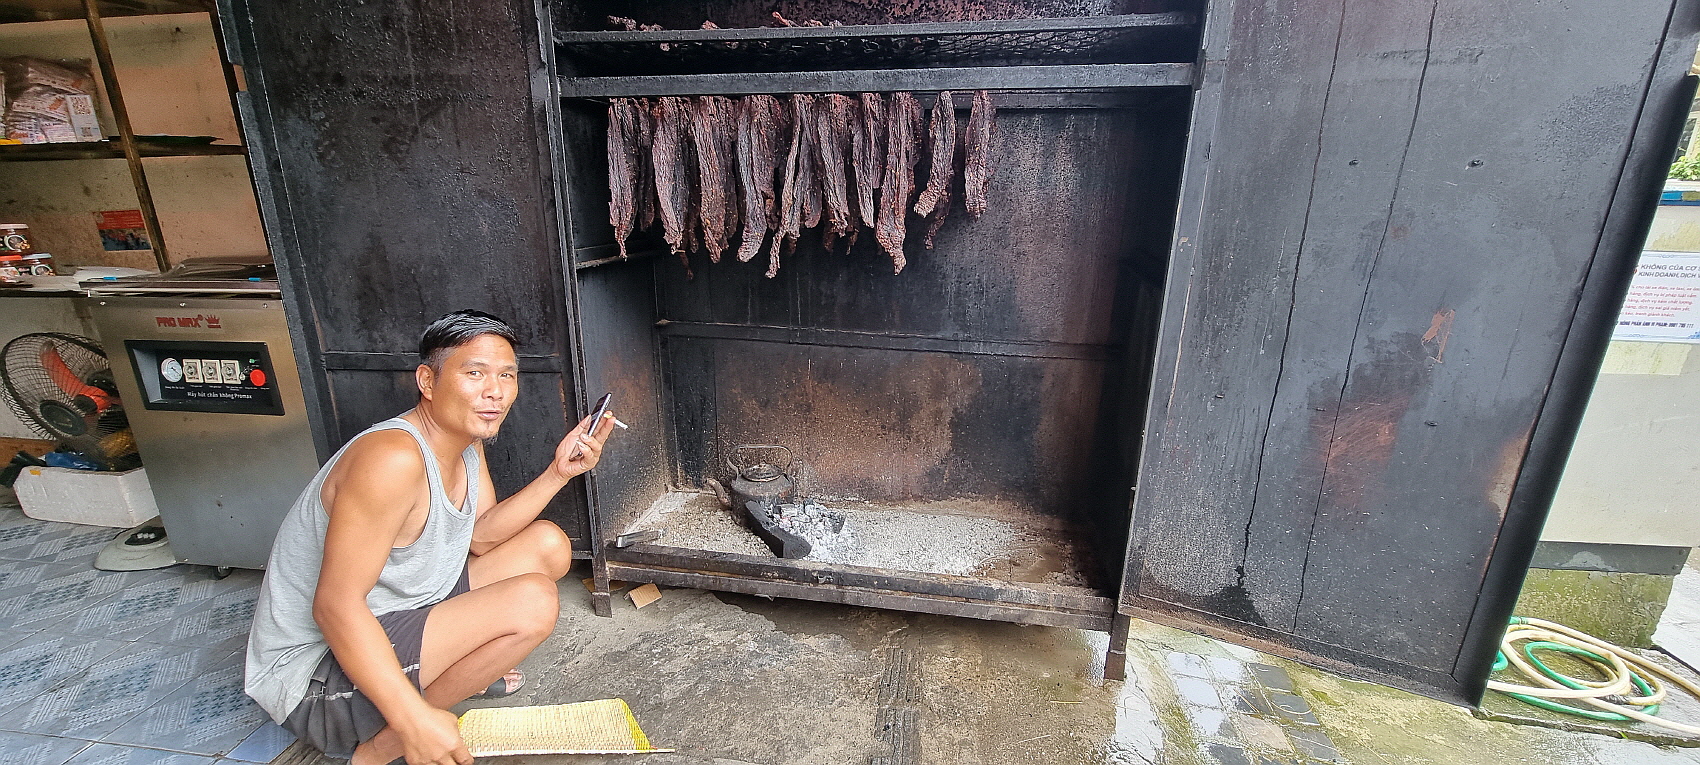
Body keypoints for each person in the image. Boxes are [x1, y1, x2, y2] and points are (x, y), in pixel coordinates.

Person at [245, 309, 616, 765]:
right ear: (427, 380)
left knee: (548, 544)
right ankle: (378, 751)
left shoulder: (464, 438)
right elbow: (335, 605)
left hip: (400, 609)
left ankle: (449, 673)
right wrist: (415, 721)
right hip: (317, 680)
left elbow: (479, 538)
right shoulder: (392, 459)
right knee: (532, 601)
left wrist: (559, 473)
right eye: (474, 373)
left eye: (507, 376)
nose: (495, 392)